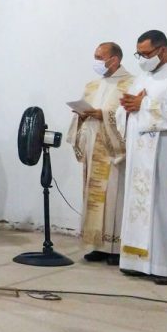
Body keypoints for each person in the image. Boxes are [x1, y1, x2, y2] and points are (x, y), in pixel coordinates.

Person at [118, 30, 167, 285]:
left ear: (162, 50)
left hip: (166, 153)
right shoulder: (142, 76)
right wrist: (128, 108)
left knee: (166, 206)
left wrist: (145, 105)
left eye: (146, 53)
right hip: (140, 154)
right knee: (138, 205)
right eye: (138, 54)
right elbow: (127, 110)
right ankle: (137, 261)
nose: (141, 59)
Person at [66, 42, 134, 265]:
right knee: (93, 198)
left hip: (113, 152)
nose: (95, 61)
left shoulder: (130, 84)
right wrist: (83, 114)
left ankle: (115, 247)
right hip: (92, 146)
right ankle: (98, 246)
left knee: (114, 198)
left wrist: (102, 114)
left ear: (114, 60)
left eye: (99, 56)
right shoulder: (93, 85)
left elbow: (127, 117)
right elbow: (85, 113)